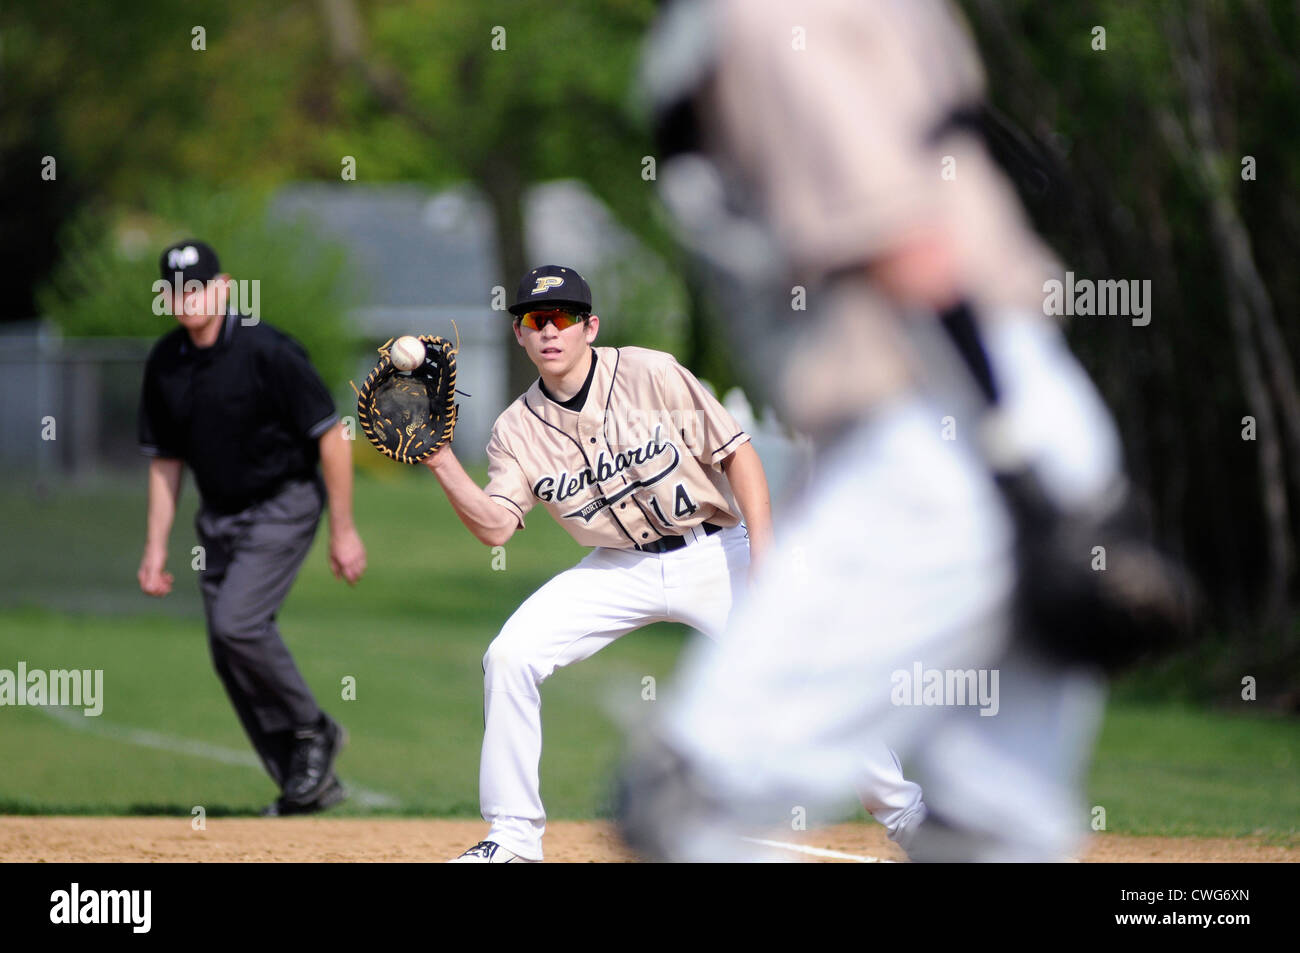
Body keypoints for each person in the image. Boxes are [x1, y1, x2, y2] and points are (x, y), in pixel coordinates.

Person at [617, 0, 1137, 861]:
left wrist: (1010, 464)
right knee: (992, 825)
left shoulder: (766, 19)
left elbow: (904, 241)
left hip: (947, 427)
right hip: (1019, 406)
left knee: (686, 800)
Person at [424, 264, 925, 862]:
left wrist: (765, 557)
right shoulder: (515, 430)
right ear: (520, 336)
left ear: (590, 326)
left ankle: (908, 814)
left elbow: (738, 456)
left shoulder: (650, 373)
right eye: (535, 319)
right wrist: (438, 459)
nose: (549, 329)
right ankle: (512, 839)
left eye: (563, 317)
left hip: (713, 549)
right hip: (618, 568)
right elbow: (497, 526)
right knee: (510, 656)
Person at [136, 238, 366, 816]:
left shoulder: (268, 352)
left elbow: (331, 437)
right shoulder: (166, 363)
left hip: (283, 503)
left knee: (239, 624)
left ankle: (314, 730)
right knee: (225, 647)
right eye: (175, 290)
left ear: (223, 286)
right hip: (219, 517)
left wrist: (343, 529)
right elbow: (166, 462)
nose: (187, 298)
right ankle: (304, 781)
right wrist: (155, 548)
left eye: (198, 286)